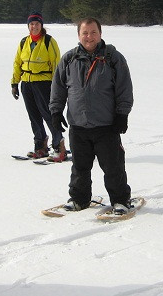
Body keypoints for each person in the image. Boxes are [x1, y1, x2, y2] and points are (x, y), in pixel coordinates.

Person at [49, 17, 134, 214]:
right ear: (79, 35)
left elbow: (124, 89)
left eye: (93, 32)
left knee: (113, 168)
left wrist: (122, 115)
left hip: (106, 126)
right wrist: (55, 111)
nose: (89, 37)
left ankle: (120, 200)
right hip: (78, 126)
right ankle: (79, 199)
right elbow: (58, 88)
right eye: (85, 33)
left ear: (100, 34)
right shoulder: (69, 59)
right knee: (80, 168)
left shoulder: (114, 58)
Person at [11, 12, 67, 161]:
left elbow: (56, 64)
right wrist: (15, 83)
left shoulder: (49, 42)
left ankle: (59, 146)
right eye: (31, 24)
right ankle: (40, 145)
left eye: (37, 24)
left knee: (48, 115)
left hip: (44, 83)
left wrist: (57, 86)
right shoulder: (24, 42)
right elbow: (18, 63)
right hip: (27, 84)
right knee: (34, 116)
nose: (34, 27)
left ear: (41, 25)